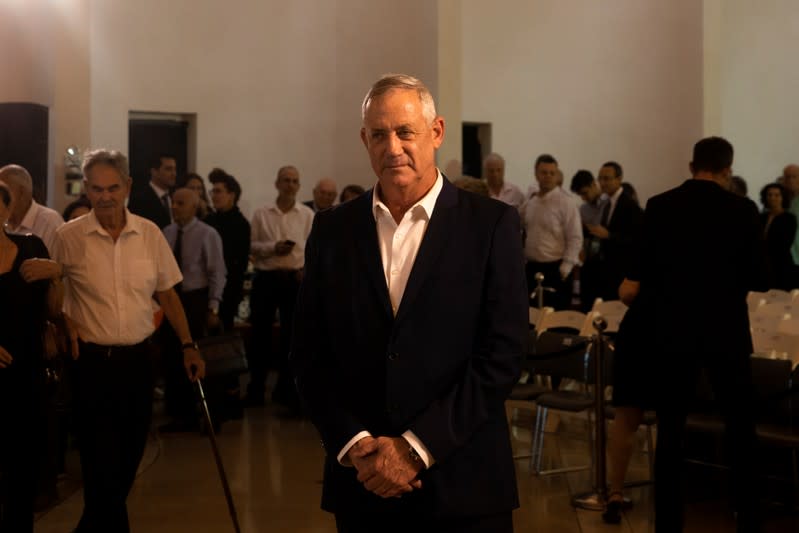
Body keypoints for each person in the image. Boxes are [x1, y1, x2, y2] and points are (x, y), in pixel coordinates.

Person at [291, 74, 527, 532]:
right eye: (378, 134)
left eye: (405, 132)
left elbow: (502, 355)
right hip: (363, 481)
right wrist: (355, 443)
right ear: (365, 140)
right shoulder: (333, 231)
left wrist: (416, 447)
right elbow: (309, 354)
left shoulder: (491, 225)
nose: (392, 146)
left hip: (464, 484)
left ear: (436, 132)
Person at [613, 137, 767, 531]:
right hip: (726, 330)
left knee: (672, 429)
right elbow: (758, 276)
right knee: (740, 428)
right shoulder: (743, 210)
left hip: (673, 331)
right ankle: (748, 516)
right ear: (727, 169)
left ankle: (668, 521)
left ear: (691, 164)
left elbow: (640, 270)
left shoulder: (661, 206)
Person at [52, 149, 205, 532]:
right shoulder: (67, 237)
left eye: (112, 188)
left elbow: (168, 294)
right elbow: (51, 290)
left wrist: (188, 344)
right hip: (89, 363)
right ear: (86, 188)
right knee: (99, 464)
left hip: (138, 363)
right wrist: (62, 317)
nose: (104, 196)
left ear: (128, 187)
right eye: (97, 188)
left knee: (127, 460)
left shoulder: (149, 234)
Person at [0, 181, 63, 532]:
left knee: (22, 473)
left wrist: (58, 275)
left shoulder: (31, 247)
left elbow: (54, 310)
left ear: (9, 211)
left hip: (26, 375)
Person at [246, 165, 313, 409]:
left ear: (299, 186)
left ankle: (286, 390)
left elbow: (313, 249)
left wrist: (306, 269)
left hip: (294, 280)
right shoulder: (261, 214)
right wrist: (273, 247)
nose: (290, 185)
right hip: (267, 278)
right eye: (286, 180)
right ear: (277, 183)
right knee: (259, 336)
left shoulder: (307, 215)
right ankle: (256, 388)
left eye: (295, 181)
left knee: (291, 338)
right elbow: (252, 246)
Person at [160, 188, 226, 431]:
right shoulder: (166, 233)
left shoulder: (207, 234)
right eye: (173, 203)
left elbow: (217, 272)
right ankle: (180, 413)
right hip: (171, 298)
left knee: (201, 356)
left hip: (196, 299)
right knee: (172, 355)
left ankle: (210, 415)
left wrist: (213, 306)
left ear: (194, 206)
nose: (175, 207)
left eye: (181, 203)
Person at [520, 154, 582, 309]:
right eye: (544, 172)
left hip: (556, 270)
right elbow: (521, 228)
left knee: (556, 321)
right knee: (531, 317)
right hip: (532, 269)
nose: (548, 176)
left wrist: (566, 267)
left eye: (552, 173)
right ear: (536, 173)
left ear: (556, 175)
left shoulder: (566, 202)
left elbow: (575, 237)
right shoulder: (531, 202)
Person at [588, 161, 643, 301]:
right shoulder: (605, 202)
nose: (602, 183)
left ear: (619, 179)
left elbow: (637, 240)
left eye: (606, 178)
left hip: (620, 269)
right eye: (600, 178)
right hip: (603, 267)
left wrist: (609, 235)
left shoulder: (630, 205)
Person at [206, 168, 251, 330]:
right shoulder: (208, 220)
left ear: (232, 195)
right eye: (213, 191)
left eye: (219, 191)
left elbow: (239, 265)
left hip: (228, 292)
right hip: (205, 290)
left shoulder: (241, 224)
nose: (214, 195)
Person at [0, 164, 64, 253]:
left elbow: (53, 265)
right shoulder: (3, 221)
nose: (1, 198)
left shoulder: (49, 222)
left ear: (21, 193)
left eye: (4, 193)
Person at [570, 169, 607, 311]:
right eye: (580, 195)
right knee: (587, 304)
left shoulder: (608, 204)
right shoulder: (583, 209)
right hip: (589, 261)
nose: (584, 198)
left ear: (593, 184)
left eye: (585, 193)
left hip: (606, 262)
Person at [759, 183, 797, 290]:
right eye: (769, 195)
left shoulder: (789, 218)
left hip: (781, 266)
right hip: (764, 265)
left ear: (782, 197)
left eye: (777, 195)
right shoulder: (762, 217)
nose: (772, 198)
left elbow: (784, 244)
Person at [127, 153, 177, 228]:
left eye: (174, 169)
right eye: (168, 169)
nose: (174, 174)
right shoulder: (139, 200)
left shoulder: (175, 196)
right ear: (154, 172)